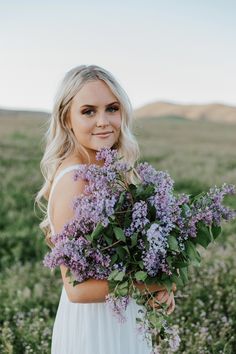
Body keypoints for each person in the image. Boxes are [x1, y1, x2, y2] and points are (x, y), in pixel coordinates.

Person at [35, 64, 176, 354]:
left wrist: (161, 286)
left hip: (120, 317)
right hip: (94, 331)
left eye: (112, 108)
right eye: (88, 111)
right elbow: (77, 289)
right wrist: (151, 285)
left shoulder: (108, 168)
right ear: (67, 118)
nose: (104, 121)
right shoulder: (75, 179)